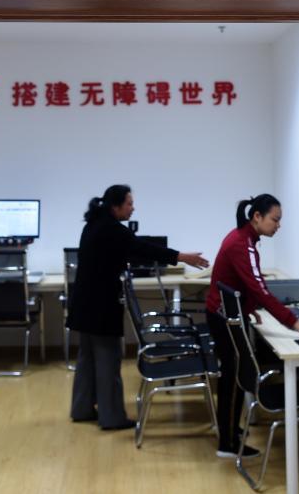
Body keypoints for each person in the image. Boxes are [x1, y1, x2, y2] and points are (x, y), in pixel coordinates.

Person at [66, 184, 209, 430]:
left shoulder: (94, 224)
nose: (133, 208)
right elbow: (143, 248)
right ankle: (111, 418)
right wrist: (182, 257)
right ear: (116, 206)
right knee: (108, 361)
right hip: (100, 307)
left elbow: (132, 250)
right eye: (129, 203)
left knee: (87, 359)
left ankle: (82, 408)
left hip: (84, 305)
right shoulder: (112, 229)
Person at [205, 194, 299, 458]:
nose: (278, 225)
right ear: (257, 217)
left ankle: (229, 432)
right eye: (275, 220)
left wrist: (247, 308)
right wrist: (294, 322)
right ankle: (227, 444)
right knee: (233, 377)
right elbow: (260, 289)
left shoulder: (242, 238)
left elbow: (244, 284)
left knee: (232, 375)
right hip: (224, 318)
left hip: (227, 313)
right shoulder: (241, 244)